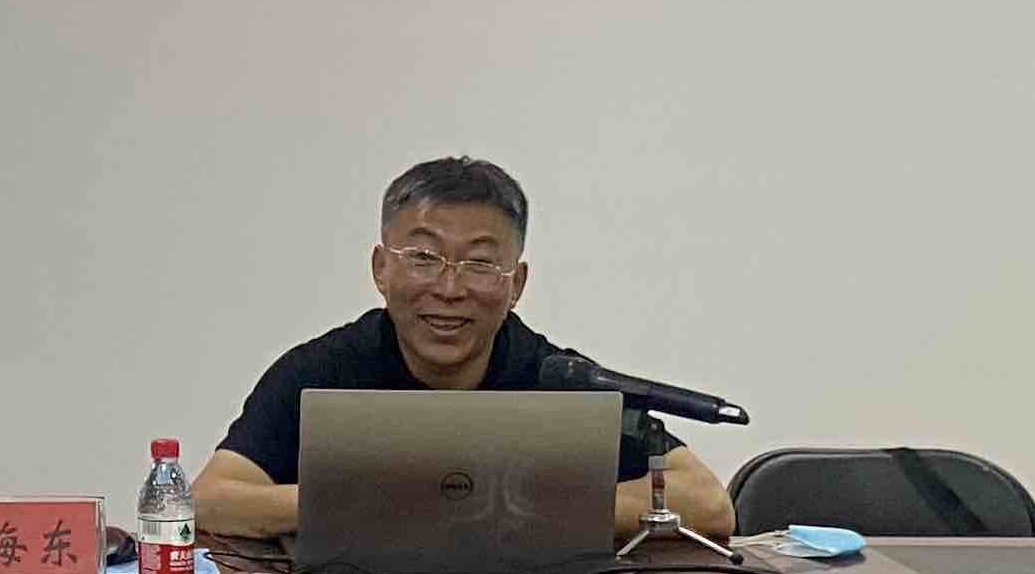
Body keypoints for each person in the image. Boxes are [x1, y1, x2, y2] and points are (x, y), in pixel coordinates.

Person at [193, 156, 736, 541]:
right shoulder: (322, 370)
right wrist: (375, 504)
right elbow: (209, 500)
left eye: (479, 263)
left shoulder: (555, 378)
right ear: (381, 269)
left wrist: (521, 507)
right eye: (423, 258)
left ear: (516, 284)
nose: (449, 289)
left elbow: (707, 502)